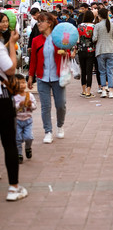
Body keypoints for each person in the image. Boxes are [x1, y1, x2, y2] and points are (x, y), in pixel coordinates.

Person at [28, 12, 67, 144]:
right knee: (45, 106)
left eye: (41, 21)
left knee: (60, 105)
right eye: (38, 21)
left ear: (49, 23)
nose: (39, 24)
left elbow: (68, 50)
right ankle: (48, 131)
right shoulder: (35, 40)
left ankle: (60, 125)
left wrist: (66, 51)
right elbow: (33, 60)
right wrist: (30, 77)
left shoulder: (59, 38)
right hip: (42, 77)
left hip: (58, 77)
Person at [0, 29, 28, 201]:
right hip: (1, 99)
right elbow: (11, 70)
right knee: (9, 143)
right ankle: (13, 188)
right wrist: (11, 45)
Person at [93, 8, 113, 98]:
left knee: (102, 72)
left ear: (100, 15)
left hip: (100, 51)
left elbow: (94, 38)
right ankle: (111, 91)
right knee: (109, 72)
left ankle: (104, 90)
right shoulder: (112, 25)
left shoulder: (97, 26)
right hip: (111, 50)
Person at [73, 10, 97, 97]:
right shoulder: (94, 26)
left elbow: (77, 40)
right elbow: (95, 39)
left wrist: (75, 50)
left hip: (81, 50)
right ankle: (88, 91)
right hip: (91, 50)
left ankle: (83, 90)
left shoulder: (79, 26)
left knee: (83, 70)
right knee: (89, 71)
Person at [14, 74, 37, 164]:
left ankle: (28, 148)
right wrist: (18, 105)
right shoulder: (14, 97)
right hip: (17, 121)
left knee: (29, 137)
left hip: (28, 121)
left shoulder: (29, 95)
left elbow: (35, 107)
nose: (22, 85)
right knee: (17, 138)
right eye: (19, 83)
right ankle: (19, 154)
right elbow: (11, 109)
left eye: (23, 82)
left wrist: (30, 105)